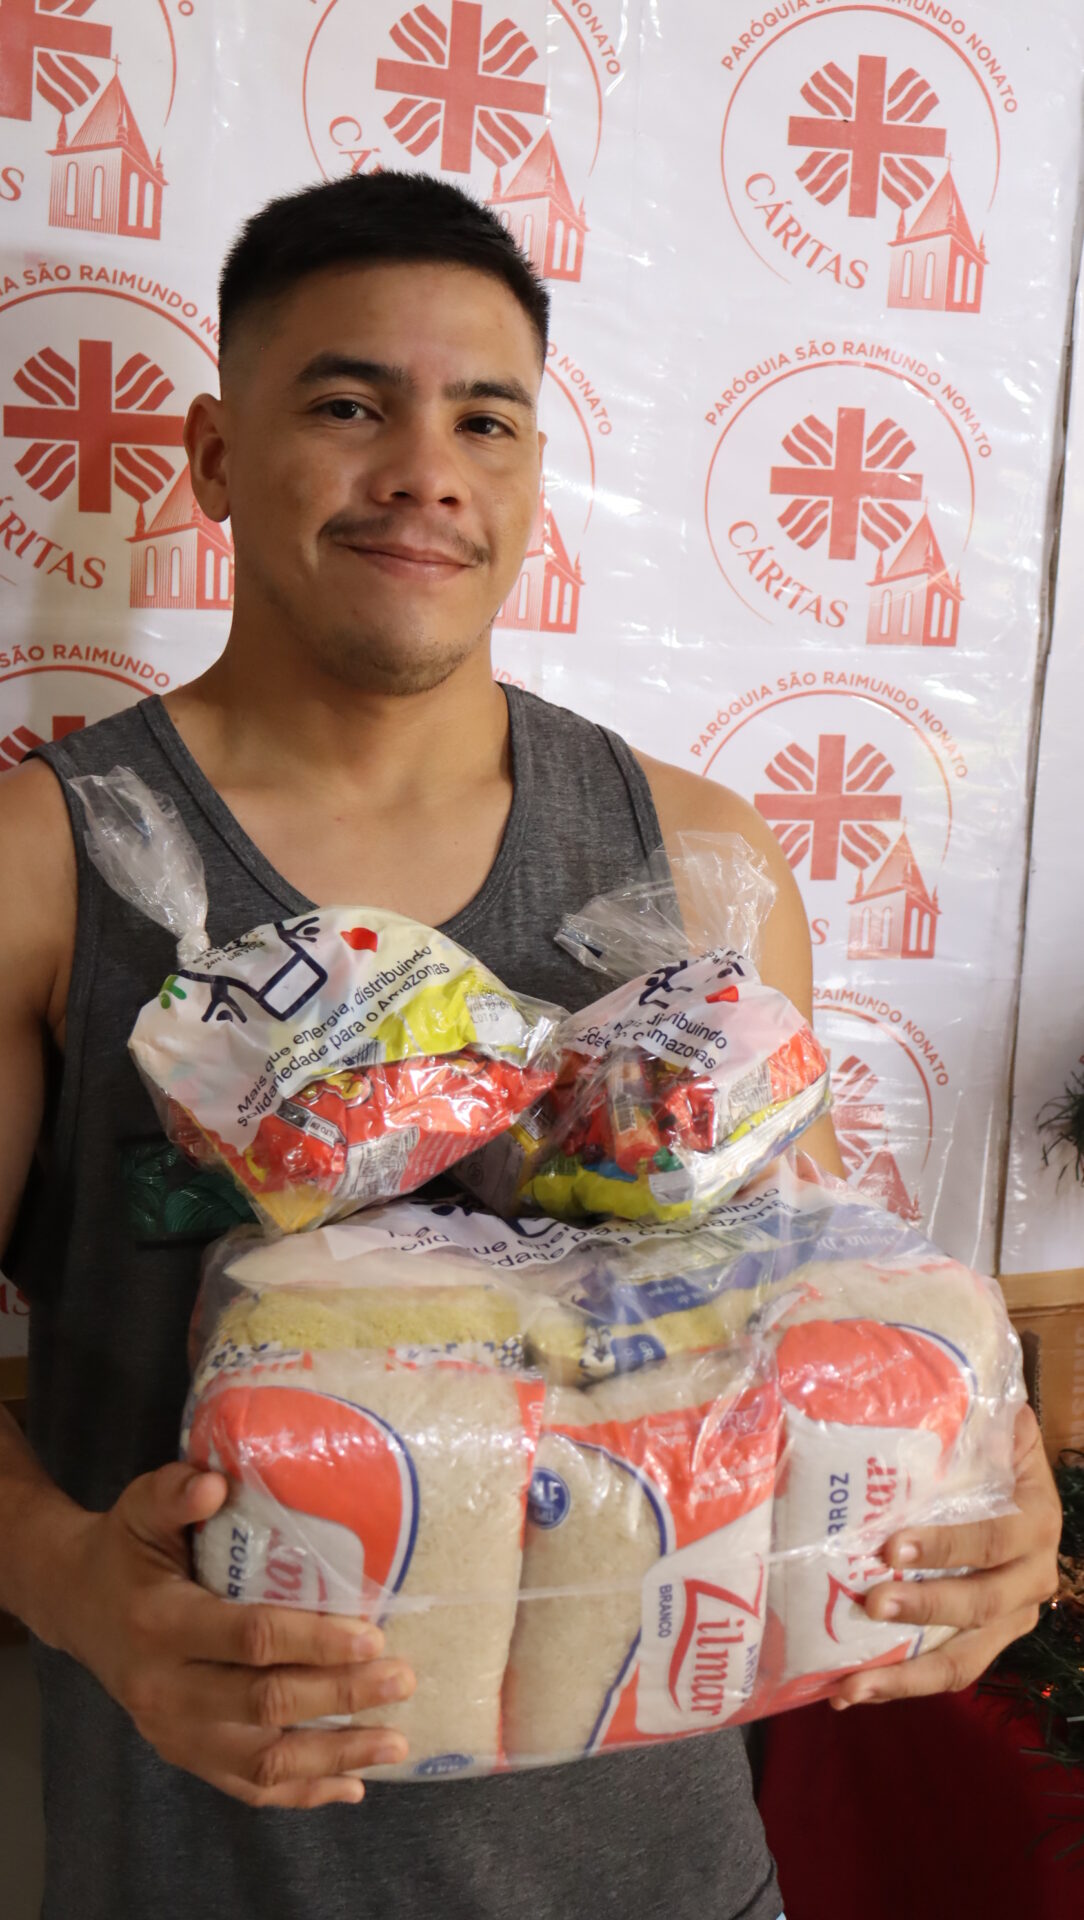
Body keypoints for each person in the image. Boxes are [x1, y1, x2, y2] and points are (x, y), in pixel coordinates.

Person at [0, 173, 1059, 1920]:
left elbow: (814, 1310)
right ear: (211, 454)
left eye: (484, 421)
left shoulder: (699, 865)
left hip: (673, 1879)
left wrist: (990, 1512)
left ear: (533, 475)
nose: (426, 471)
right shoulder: (52, 864)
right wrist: (69, 1583)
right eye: (349, 406)